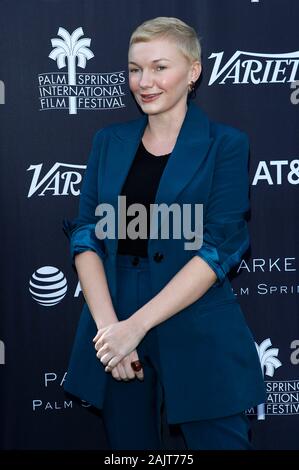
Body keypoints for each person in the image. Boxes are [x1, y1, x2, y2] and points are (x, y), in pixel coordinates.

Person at [63, 17, 266, 450]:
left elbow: (219, 248)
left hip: (192, 314)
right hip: (113, 316)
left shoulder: (226, 144)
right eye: (135, 69)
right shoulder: (108, 141)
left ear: (193, 72)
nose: (144, 82)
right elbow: (86, 235)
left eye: (159, 67)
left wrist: (135, 327)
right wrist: (111, 333)